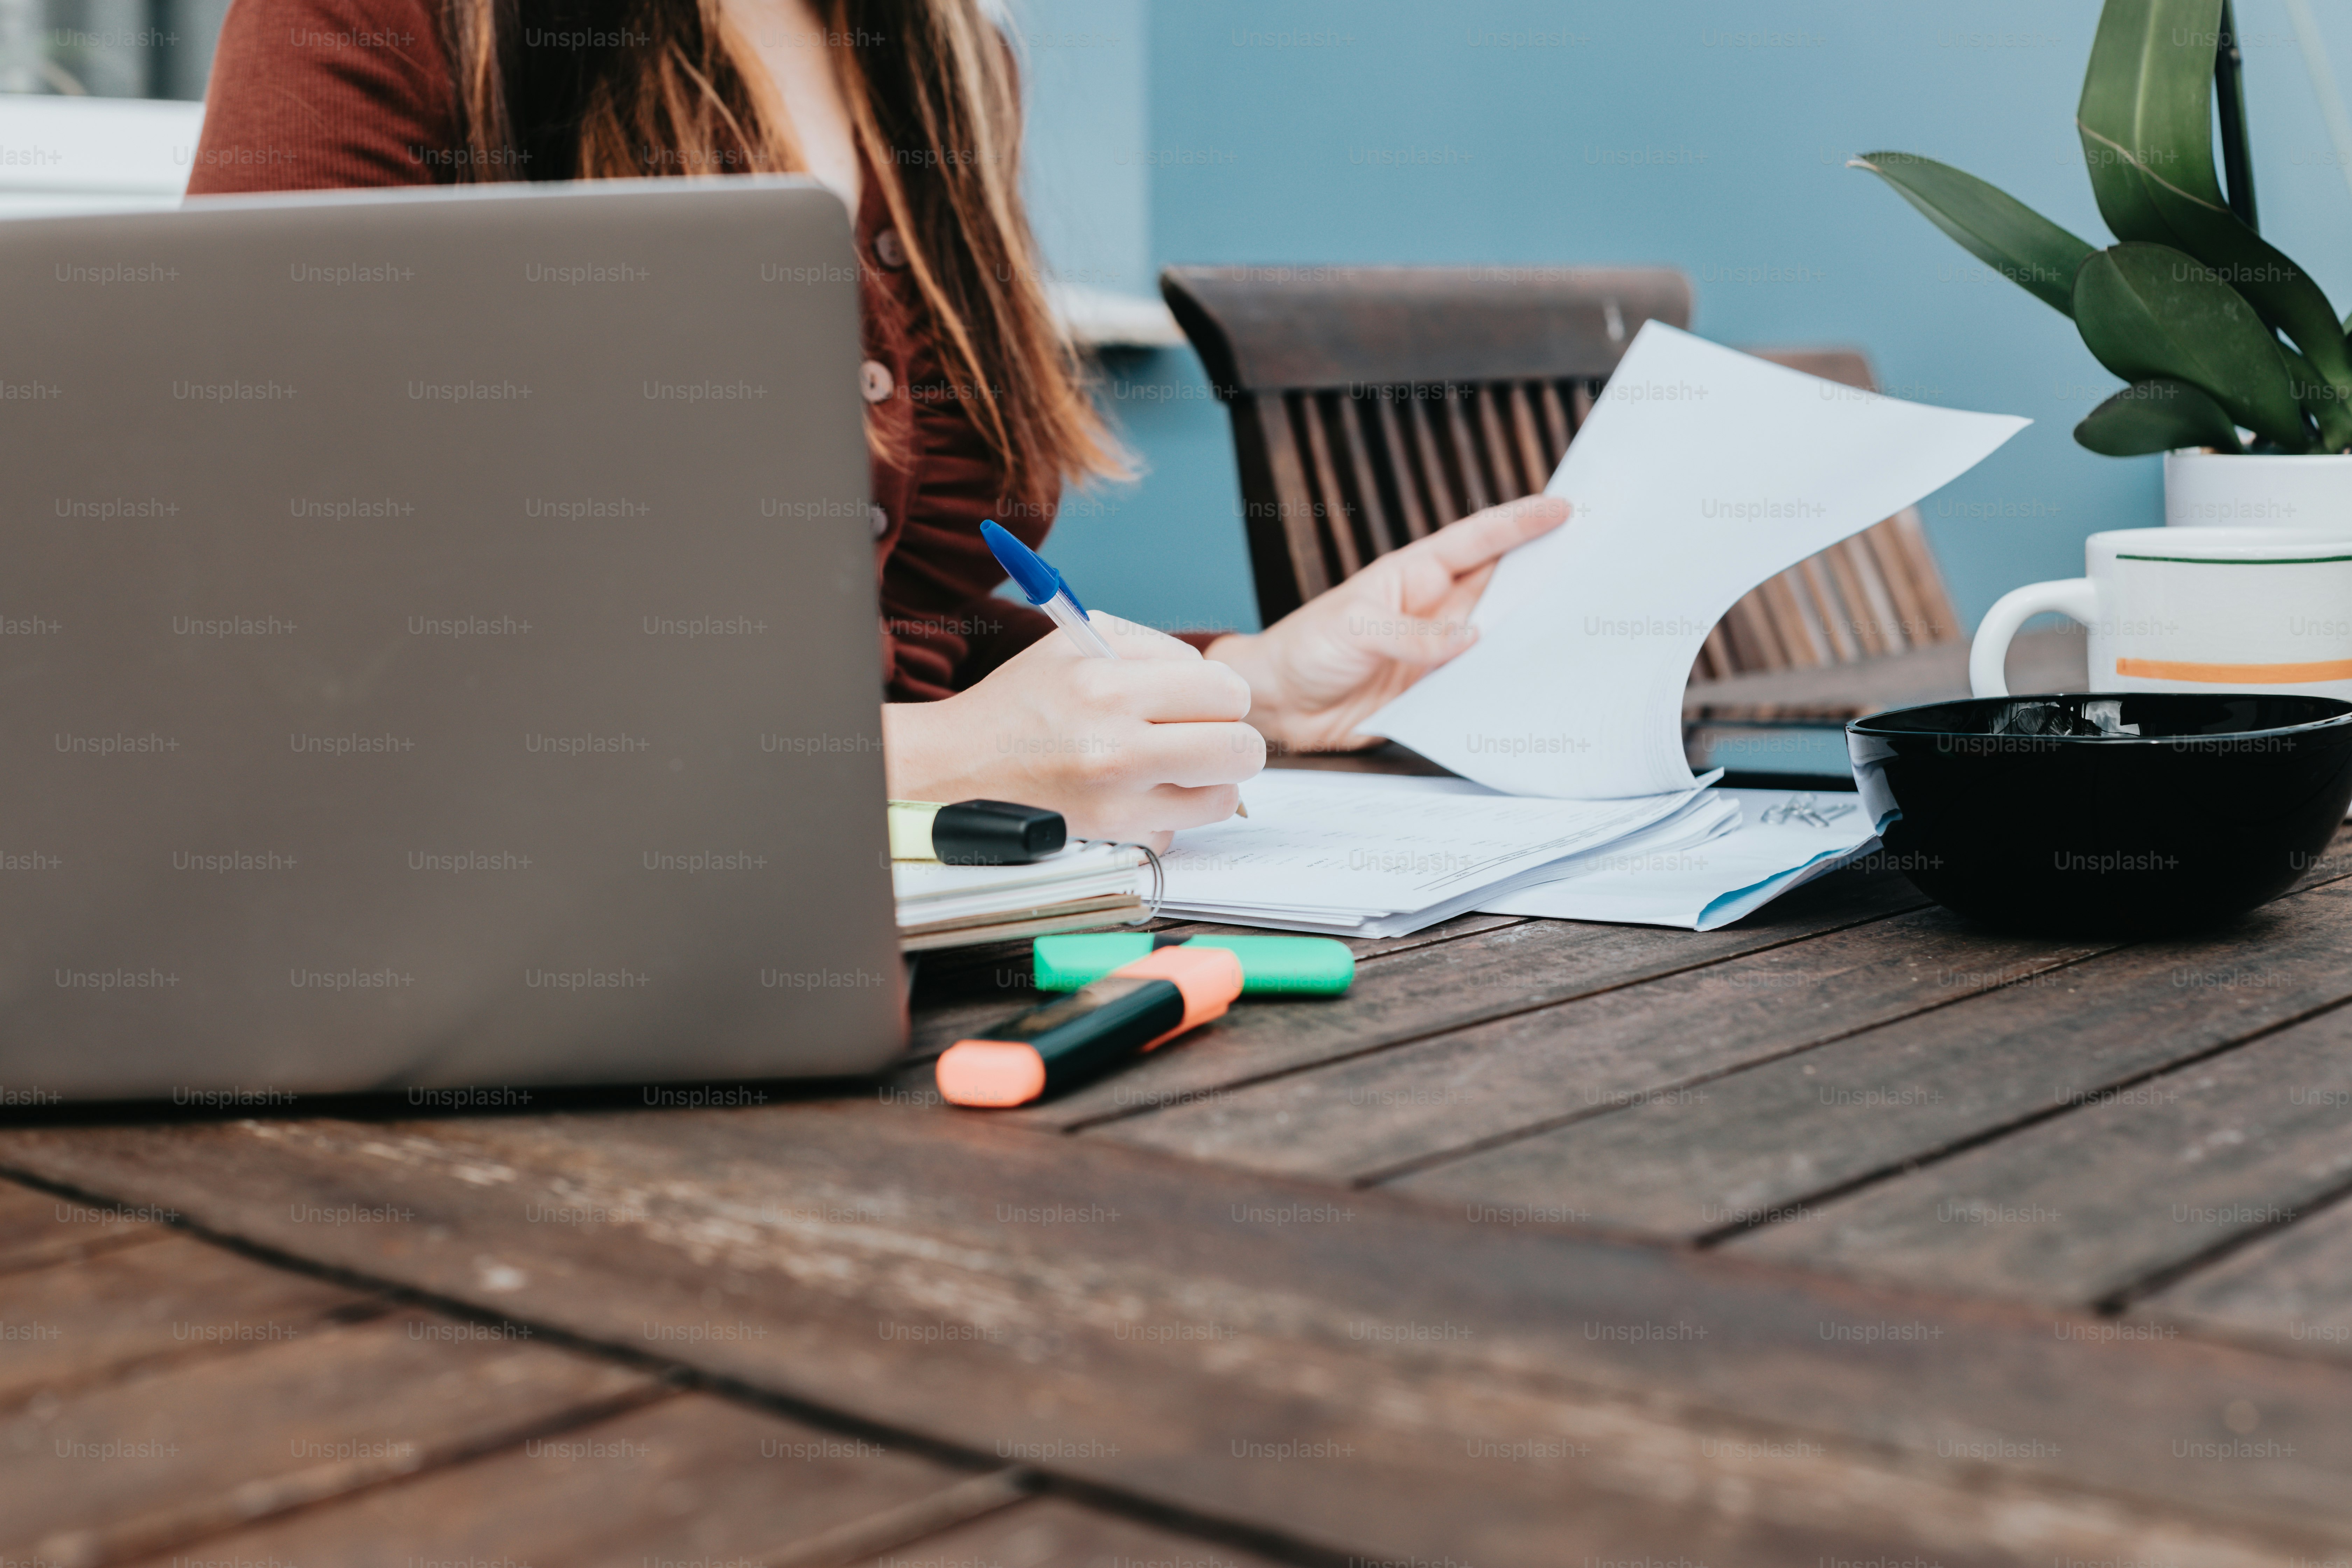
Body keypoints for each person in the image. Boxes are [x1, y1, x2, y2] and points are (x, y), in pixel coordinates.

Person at [186, 0, 1570, 847]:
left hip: (917, 938)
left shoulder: (951, 61)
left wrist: (1254, 682)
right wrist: (925, 766)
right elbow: (280, 670)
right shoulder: (401, 20)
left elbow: (940, 628)